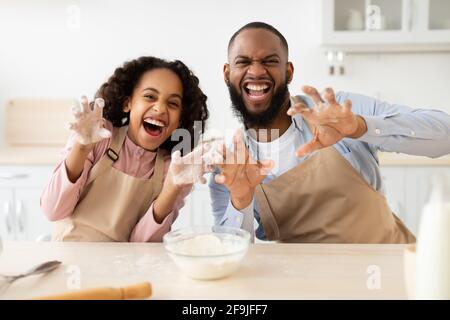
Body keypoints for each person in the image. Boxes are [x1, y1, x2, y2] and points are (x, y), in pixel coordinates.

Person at [209, 22, 450, 243]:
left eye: (270, 61)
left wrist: (359, 127)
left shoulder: (338, 111)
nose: (256, 71)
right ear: (227, 73)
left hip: (390, 271)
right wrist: (241, 200)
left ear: (289, 71)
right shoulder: (231, 164)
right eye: (243, 62)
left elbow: (445, 136)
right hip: (308, 284)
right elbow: (230, 253)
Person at [41, 56, 209, 242]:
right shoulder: (99, 137)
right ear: (127, 103)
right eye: (150, 96)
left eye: (173, 103)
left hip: (124, 267)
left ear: (179, 121)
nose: (160, 108)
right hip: (71, 263)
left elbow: (142, 246)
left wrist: (171, 189)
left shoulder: (173, 170)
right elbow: (53, 211)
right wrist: (81, 148)